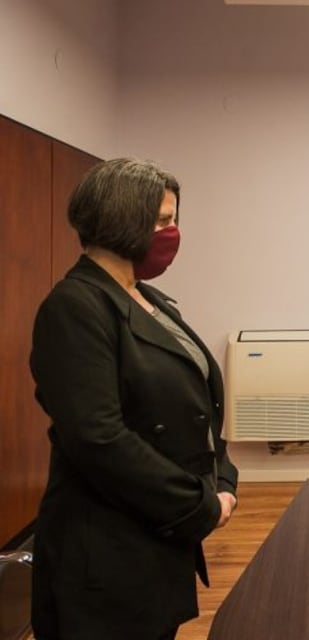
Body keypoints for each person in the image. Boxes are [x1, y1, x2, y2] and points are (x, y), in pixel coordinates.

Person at [29, 159, 239, 639]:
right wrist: (199, 505)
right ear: (123, 218)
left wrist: (222, 477)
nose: (173, 232)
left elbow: (194, 403)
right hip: (105, 552)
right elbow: (98, 437)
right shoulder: (74, 306)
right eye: (164, 220)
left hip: (154, 538)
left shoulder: (147, 298)